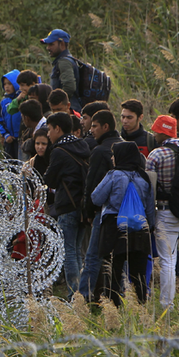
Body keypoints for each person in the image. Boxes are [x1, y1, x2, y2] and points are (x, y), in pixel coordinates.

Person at [91, 142, 156, 306]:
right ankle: (140, 306)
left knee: (113, 269)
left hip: (114, 227)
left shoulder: (114, 175)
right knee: (138, 272)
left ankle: (112, 306)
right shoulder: (143, 177)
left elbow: (96, 198)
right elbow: (149, 208)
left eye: (114, 154)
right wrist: (150, 227)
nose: (112, 158)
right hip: (139, 227)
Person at [146, 114, 179, 307]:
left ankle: (166, 307)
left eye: (155, 130)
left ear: (162, 132)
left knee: (168, 260)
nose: (153, 134)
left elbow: (149, 189)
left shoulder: (156, 155)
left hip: (166, 212)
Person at [44, 112, 91, 297]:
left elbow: (50, 180)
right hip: (82, 206)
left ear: (57, 129)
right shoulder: (82, 145)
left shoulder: (59, 151)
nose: (48, 134)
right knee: (78, 250)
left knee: (69, 252)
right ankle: (81, 294)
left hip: (67, 205)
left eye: (49, 130)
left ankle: (74, 294)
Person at [78, 110, 123, 301]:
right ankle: (116, 296)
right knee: (117, 258)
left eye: (94, 126)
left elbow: (92, 184)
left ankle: (83, 297)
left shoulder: (100, 150)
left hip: (102, 211)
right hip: (124, 212)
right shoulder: (125, 146)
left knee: (92, 257)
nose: (91, 130)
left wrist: (88, 211)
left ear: (105, 127)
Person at [41, 29, 82, 112]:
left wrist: (58, 106)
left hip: (70, 110)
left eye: (51, 44)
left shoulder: (64, 62)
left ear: (62, 44)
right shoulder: (67, 60)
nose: (48, 48)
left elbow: (69, 87)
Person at [0, 70, 24, 159]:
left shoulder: (22, 99)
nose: (7, 86)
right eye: (5, 84)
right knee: (10, 163)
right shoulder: (3, 102)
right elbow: (0, 120)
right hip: (9, 140)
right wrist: (5, 135)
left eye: (10, 83)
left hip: (20, 139)